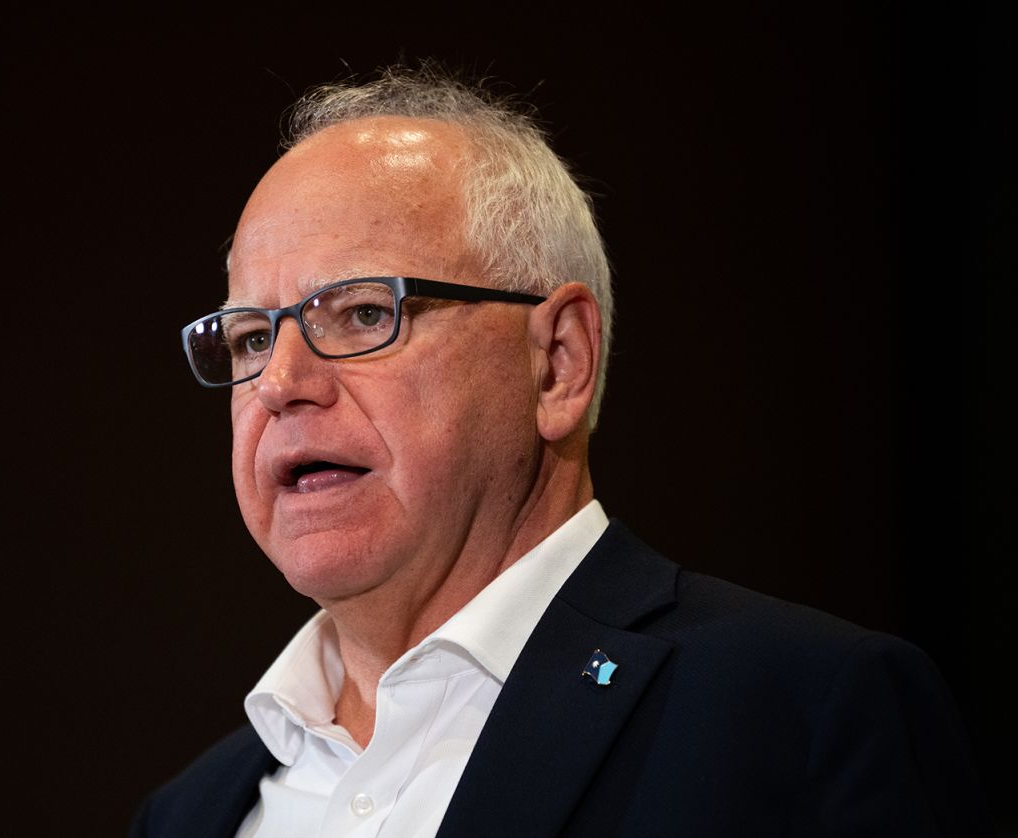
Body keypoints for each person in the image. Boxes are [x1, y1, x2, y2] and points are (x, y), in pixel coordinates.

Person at [132, 67, 990, 837]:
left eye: (361, 313)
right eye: (248, 339)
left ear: (558, 363)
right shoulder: (189, 814)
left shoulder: (800, 713)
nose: (280, 382)